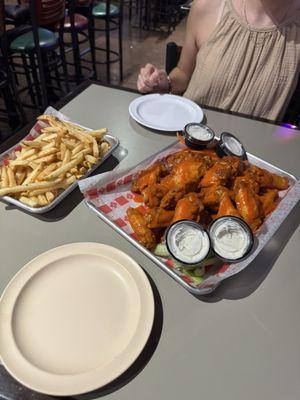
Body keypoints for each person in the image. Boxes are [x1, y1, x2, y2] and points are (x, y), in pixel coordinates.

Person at [137, 0, 300, 120]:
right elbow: (184, 73)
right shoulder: (208, 6)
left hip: (252, 159)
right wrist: (164, 83)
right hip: (190, 143)